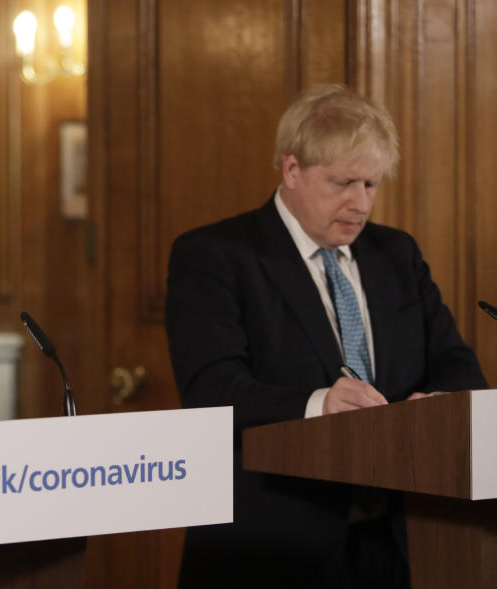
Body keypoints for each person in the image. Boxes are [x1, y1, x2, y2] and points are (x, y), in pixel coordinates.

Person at [165, 85, 486, 588]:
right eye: (343, 183)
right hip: (272, 546)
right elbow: (212, 390)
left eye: (372, 185)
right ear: (292, 170)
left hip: (395, 542)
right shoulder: (215, 255)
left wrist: (438, 405)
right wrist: (319, 405)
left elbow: (455, 362)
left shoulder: (395, 254)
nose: (360, 204)